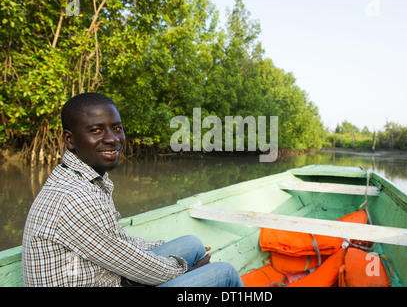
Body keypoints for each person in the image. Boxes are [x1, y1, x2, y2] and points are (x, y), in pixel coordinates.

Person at [22, 92, 244, 287]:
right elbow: (127, 259)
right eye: (96, 130)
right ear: (70, 140)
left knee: (193, 244)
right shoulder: (75, 198)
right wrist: (184, 270)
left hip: (105, 276)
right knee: (223, 273)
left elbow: (118, 241)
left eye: (116, 128)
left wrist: (164, 251)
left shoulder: (81, 178)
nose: (112, 139)